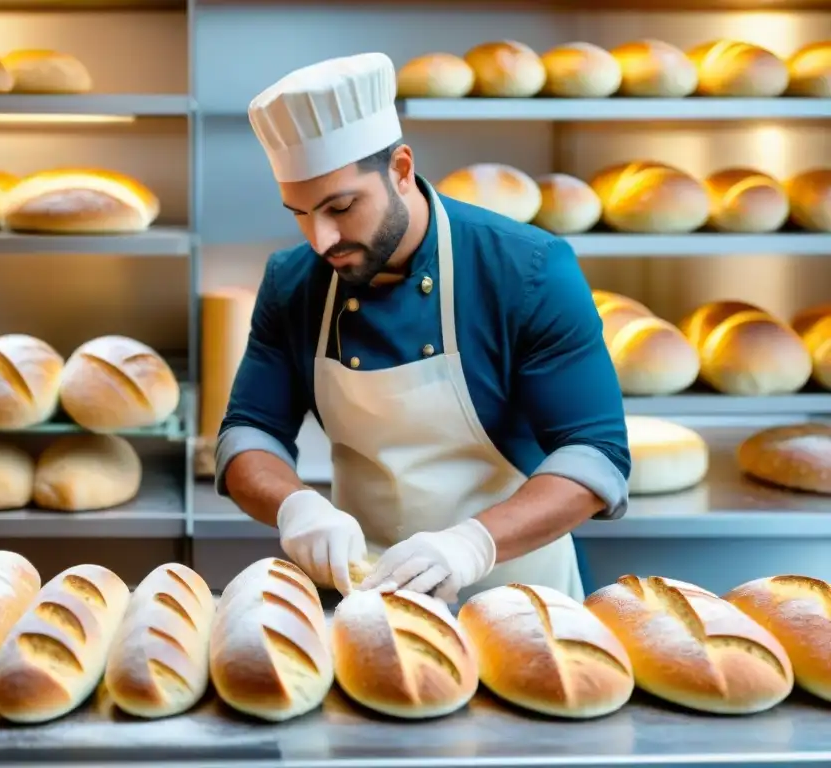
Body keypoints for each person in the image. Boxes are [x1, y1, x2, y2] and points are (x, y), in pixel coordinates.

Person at [215, 52, 630, 604]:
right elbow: (248, 433)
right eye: (300, 212)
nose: (321, 240)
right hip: (364, 595)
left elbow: (593, 453)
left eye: (341, 207)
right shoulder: (293, 283)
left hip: (516, 592)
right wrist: (297, 506)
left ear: (401, 170)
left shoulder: (528, 270)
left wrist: (472, 545)